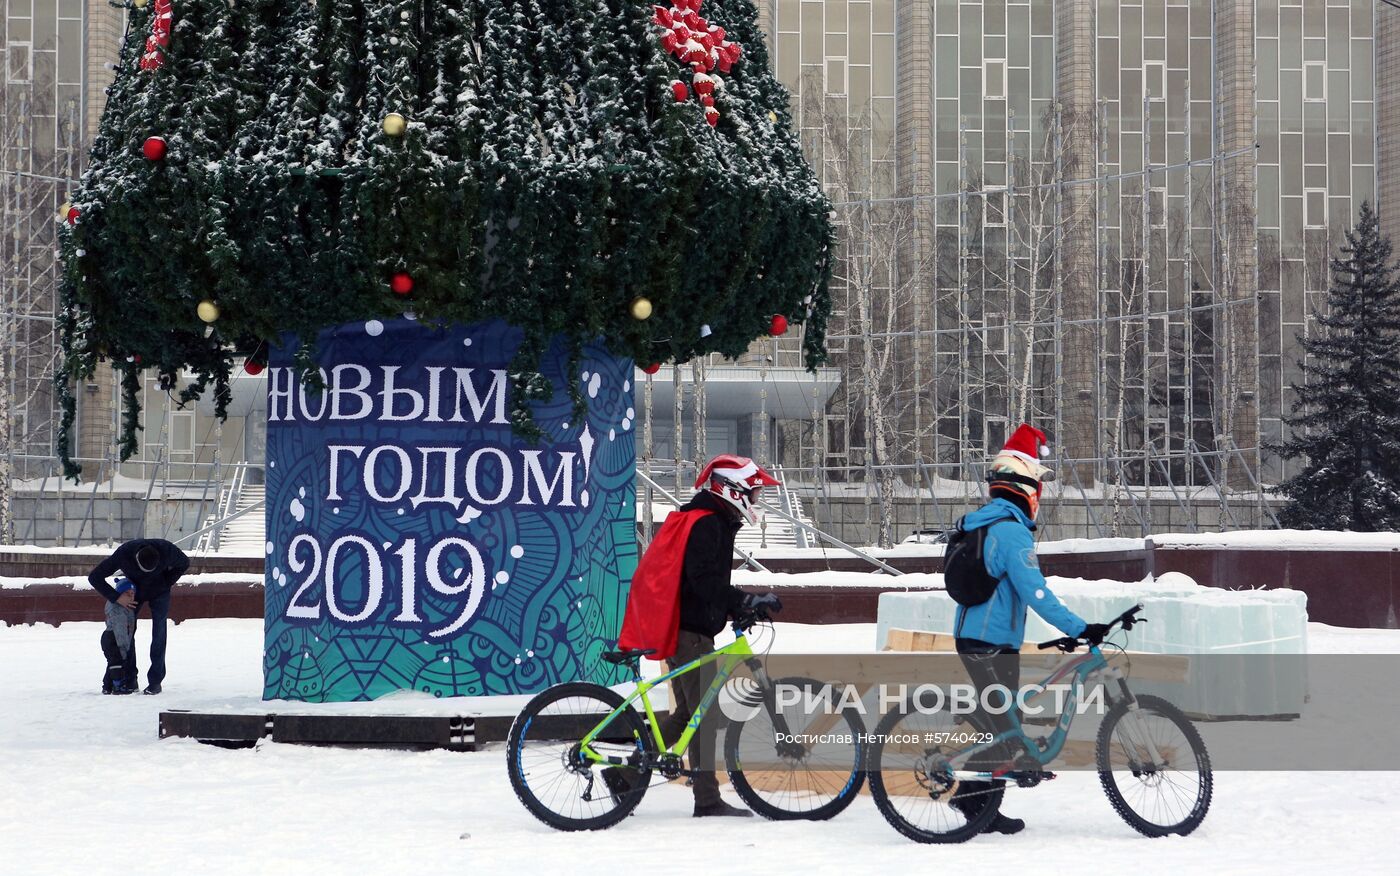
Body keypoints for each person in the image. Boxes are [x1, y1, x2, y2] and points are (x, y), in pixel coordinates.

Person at [948, 424, 1111, 835]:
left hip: (982, 636)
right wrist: (1081, 627)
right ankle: (970, 803)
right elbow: (1035, 593)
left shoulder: (985, 524)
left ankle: (981, 809)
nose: (1040, 495)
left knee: (1004, 724)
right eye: (1039, 485)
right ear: (1025, 486)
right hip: (989, 641)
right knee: (1004, 727)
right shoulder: (1011, 531)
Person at [616, 454, 783, 817]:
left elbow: (701, 583)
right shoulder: (708, 523)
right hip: (689, 632)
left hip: (686, 628)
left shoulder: (709, 518)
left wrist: (737, 606)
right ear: (733, 489)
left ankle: (625, 775)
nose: (755, 501)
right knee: (704, 716)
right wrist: (742, 598)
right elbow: (703, 580)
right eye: (753, 493)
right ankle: (707, 800)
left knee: (689, 714)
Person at [87, 538, 190, 695]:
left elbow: (184, 563)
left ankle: (155, 682)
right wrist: (117, 597)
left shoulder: (166, 550)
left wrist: (165, 582)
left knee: (159, 633)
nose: (146, 574)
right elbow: (95, 577)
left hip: (160, 591)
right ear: (135, 561)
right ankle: (129, 679)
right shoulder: (124, 553)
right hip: (133, 594)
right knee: (127, 634)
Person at [101, 578, 138, 695]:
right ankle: (118, 686)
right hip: (113, 638)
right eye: (127, 594)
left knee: (112, 662)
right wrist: (123, 646)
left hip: (112, 636)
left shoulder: (125, 607)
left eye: (132, 594)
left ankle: (107, 686)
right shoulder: (118, 608)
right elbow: (120, 629)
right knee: (117, 662)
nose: (130, 596)